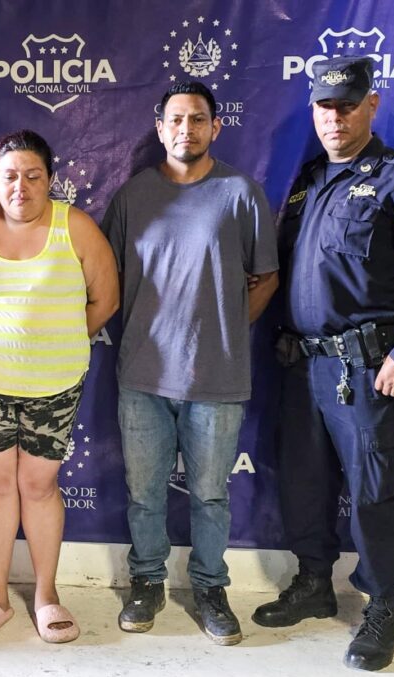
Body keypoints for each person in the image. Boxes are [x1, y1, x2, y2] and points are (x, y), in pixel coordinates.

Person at [252, 57, 394, 670]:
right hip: (303, 366)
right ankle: (314, 583)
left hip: (369, 371)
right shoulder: (307, 182)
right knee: (304, 481)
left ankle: (382, 607)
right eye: (325, 106)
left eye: (347, 105)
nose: (335, 117)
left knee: (372, 491)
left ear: (372, 104)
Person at [102, 81, 279, 645]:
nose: (187, 129)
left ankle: (209, 588)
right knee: (144, 494)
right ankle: (147, 581)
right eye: (176, 119)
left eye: (198, 119)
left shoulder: (240, 193)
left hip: (217, 376)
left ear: (215, 127)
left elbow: (265, 276)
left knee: (209, 496)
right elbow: (105, 280)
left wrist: (226, 328)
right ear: (160, 128)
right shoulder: (132, 197)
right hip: (143, 376)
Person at [0, 129, 118, 643]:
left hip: (54, 385)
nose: (21, 186)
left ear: (50, 180)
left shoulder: (75, 228)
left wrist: (54, 341)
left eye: (33, 176)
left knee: (39, 487)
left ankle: (45, 595)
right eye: (11, 176)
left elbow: (105, 299)